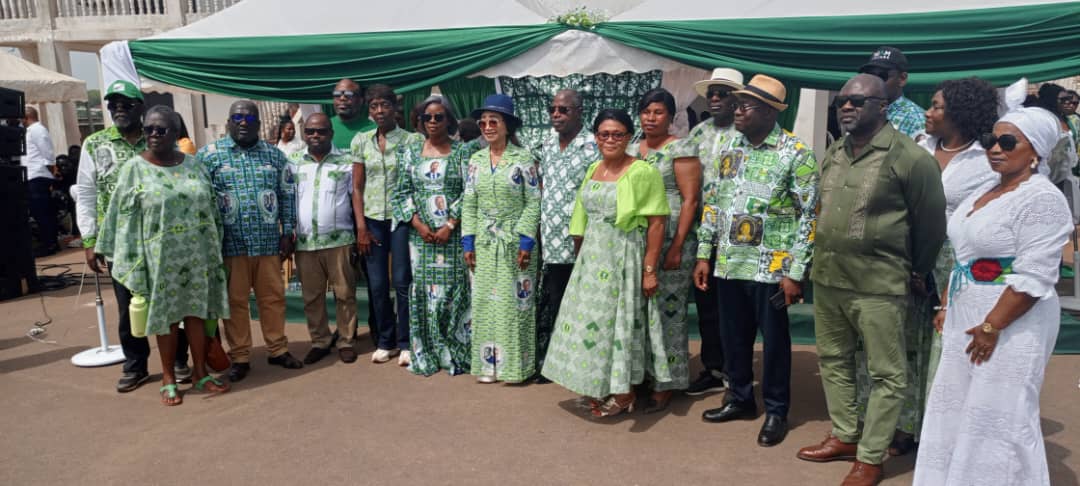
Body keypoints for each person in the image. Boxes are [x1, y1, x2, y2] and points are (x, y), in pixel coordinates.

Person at [797, 74, 946, 486]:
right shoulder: (835, 152)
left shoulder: (910, 158)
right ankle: (845, 435)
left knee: (886, 374)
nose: (846, 107)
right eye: (842, 101)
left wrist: (914, 269)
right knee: (833, 360)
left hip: (879, 283)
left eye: (857, 101)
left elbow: (931, 225)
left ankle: (871, 455)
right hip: (829, 278)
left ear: (883, 106)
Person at [914, 103, 1072, 486]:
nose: (994, 148)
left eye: (1007, 141)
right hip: (968, 312)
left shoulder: (1042, 199)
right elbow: (964, 258)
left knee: (1000, 410)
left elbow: (1036, 276)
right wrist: (947, 305)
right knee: (958, 404)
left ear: (1034, 150)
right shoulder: (986, 190)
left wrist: (992, 325)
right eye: (989, 140)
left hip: (1012, 321)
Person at [855, 77, 999, 457]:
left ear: (960, 114)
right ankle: (900, 429)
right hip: (905, 258)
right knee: (900, 345)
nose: (929, 113)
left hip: (954, 267)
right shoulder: (917, 145)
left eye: (936, 106)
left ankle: (937, 435)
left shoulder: (985, 161)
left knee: (941, 349)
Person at [695, 74, 819, 447]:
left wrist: (796, 272)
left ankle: (777, 410)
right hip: (731, 263)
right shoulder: (729, 147)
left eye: (744, 105)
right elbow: (714, 202)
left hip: (773, 268)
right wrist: (704, 253)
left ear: (768, 112)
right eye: (735, 104)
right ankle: (740, 399)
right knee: (734, 337)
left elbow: (809, 215)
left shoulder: (796, 153)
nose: (736, 110)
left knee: (776, 343)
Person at [96, 105, 230, 405]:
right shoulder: (134, 168)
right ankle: (169, 377)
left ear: (175, 133)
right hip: (159, 259)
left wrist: (213, 249)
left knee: (197, 314)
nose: (153, 135)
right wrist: (109, 249)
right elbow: (120, 214)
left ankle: (200, 373)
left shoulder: (194, 165)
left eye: (161, 130)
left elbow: (210, 207)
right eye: (148, 130)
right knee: (166, 319)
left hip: (196, 256)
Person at [541, 108, 670, 417]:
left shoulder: (642, 171)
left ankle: (624, 393)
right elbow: (581, 216)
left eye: (618, 134)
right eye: (604, 134)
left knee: (618, 325)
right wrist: (580, 253)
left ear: (628, 137)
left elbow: (657, 223)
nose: (610, 140)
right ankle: (599, 385)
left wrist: (649, 270)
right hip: (592, 257)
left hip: (623, 255)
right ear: (596, 137)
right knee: (592, 326)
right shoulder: (593, 169)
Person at [75, 80, 191, 392]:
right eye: (114, 104)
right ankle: (136, 364)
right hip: (120, 245)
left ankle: (180, 361)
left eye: (127, 103)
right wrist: (89, 240)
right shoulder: (94, 144)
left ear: (141, 107)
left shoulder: (158, 135)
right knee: (130, 309)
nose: (119, 109)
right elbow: (85, 193)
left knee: (172, 304)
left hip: (164, 240)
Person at [199, 100, 303, 382]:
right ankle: (241, 356)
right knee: (235, 302)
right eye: (237, 117)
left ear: (258, 123)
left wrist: (287, 233)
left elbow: (287, 195)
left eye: (249, 118)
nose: (243, 122)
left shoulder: (275, 155)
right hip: (230, 245)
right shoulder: (208, 156)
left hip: (269, 242)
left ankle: (278, 349)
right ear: (229, 122)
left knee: (273, 298)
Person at [392, 95, 476, 376]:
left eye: (439, 117)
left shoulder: (462, 152)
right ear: (419, 121)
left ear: (449, 121)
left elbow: (469, 192)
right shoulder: (409, 154)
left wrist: (449, 225)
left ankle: (453, 350)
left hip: (452, 236)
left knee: (453, 293)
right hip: (421, 239)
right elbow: (401, 193)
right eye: (426, 117)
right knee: (425, 293)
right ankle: (426, 349)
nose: (432, 122)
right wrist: (419, 226)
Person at [461, 94, 540, 384]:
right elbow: (469, 202)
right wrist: (468, 241)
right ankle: (487, 366)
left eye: (494, 121)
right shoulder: (476, 160)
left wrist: (525, 241)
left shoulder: (523, 159)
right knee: (483, 303)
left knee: (513, 304)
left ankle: (515, 368)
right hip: (484, 241)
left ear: (507, 126)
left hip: (514, 241)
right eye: (483, 122)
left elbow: (533, 201)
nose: (487, 126)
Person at [630, 88, 699, 412]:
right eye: (646, 112)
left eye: (658, 112)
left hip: (672, 237)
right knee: (641, 312)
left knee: (669, 313)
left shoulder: (681, 148)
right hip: (637, 241)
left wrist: (677, 246)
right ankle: (644, 373)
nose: (651, 118)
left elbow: (690, 200)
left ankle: (668, 381)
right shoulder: (632, 148)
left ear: (671, 117)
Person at [351, 84, 424, 366]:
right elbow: (357, 187)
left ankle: (406, 342)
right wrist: (360, 227)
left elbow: (417, 184)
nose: (379, 111)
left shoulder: (412, 141)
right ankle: (385, 340)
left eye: (384, 105)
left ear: (396, 108)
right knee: (378, 284)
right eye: (374, 106)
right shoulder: (361, 140)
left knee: (403, 280)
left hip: (402, 218)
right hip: (371, 220)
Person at [683, 67, 745, 396]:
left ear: (737, 97)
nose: (716, 98)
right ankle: (712, 367)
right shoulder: (697, 134)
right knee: (707, 304)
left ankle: (738, 371)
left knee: (735, 307)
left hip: (738, 236)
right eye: (712, 93)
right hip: (702, 235)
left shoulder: (748, 133)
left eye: (723, 92)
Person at [533, 89, 600, 382]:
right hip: (551, 239)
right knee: (556, 299)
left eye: (563, 110)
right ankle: (558, 363)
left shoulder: (593, 146)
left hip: (582, 239)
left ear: (580, 112)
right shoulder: (547, 144)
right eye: (553, 109)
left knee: (584, 303)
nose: (556, 115)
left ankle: (584, 363)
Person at [288, 113, 359, 365]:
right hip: (306, 242)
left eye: (320, 132)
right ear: (304, 134)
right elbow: (287, 199)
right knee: (312, 296)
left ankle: (346, 340)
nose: (315, 136)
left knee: (345, 294)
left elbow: (356, 198)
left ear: (331, 133)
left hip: (339, 241)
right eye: (310, 132)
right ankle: (319, 340)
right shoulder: (293, 162)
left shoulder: (347, 162)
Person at [858, 46, 926, 140]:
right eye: (871, 75)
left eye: (882, 75)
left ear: (902, 79)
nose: (875, 82)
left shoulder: (916, 119)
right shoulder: (861, 112)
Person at [22, 106, 58, 256]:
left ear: (26, 117)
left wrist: (51, 170)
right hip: (33, 175)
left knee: (42, 212)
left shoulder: (37, 130)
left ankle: (49, 244)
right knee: (40, 212)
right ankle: (49, 242)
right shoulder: (30, 131)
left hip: (38, 175)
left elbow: (47, 152)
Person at [330, 78, 374, 150]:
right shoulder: (322, 128)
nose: (342, 98)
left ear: (360, 100)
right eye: (337, 94)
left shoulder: (375, 130)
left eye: (348, 94)